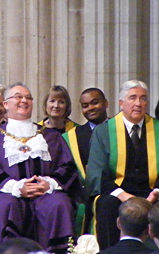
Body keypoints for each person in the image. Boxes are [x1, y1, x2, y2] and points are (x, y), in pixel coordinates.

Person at [0, 82, 79, 253]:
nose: (24, 101)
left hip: (45, 193)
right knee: (5, 205)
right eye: (18, 97)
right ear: (6, 104)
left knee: (60, 203)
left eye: (28, 98)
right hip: (8, 194)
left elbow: (66, 167)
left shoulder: (50, 136)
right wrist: (17, 187)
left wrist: (49, 184)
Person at [86, 80, 159, 250]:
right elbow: (97, 172)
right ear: (121, 103)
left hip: (152, 192)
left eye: (143, 99)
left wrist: (156, 192)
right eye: (132, 98)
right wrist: (122, 195)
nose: (138, 103)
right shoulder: (103, 131)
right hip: (117, 193)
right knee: (106, 205)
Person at [62, 87, 108, 235]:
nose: (90, 108)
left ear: (106, 103)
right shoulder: (72, 136)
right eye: (85, 105)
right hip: (83, 194)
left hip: (113, 191)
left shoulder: (118, 131)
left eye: (95, 103)